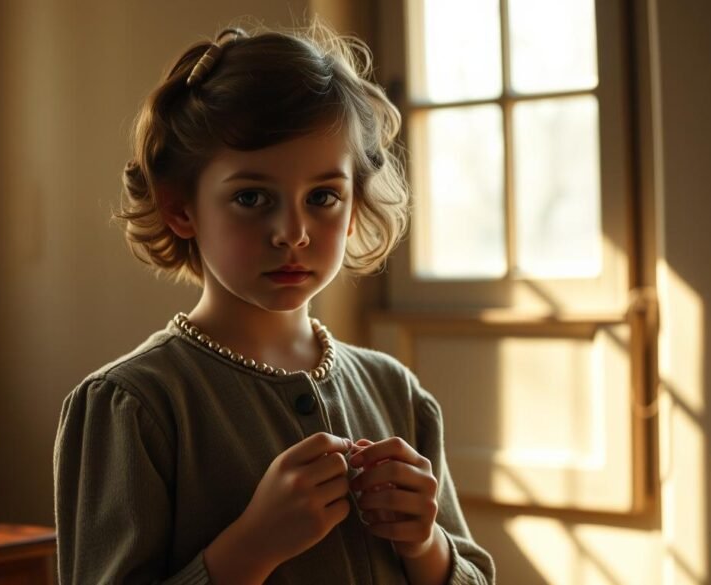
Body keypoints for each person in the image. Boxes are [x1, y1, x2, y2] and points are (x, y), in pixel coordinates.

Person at [54, 20, 495, 585]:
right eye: (252, 196)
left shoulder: (398, 393)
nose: (293, 232)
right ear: (180, 208)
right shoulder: (132, 407)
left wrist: (424, 543)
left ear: (355, 203)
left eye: (322, 197)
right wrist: (251, 547)